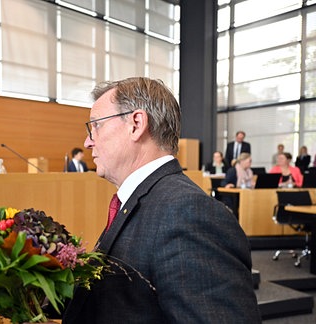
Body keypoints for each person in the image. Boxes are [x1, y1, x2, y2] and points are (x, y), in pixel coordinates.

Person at [62, 77, 260, 323]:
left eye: (96, 126)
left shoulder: (189, 212)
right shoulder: (145, 199)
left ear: (136, 123)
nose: (88, 141)